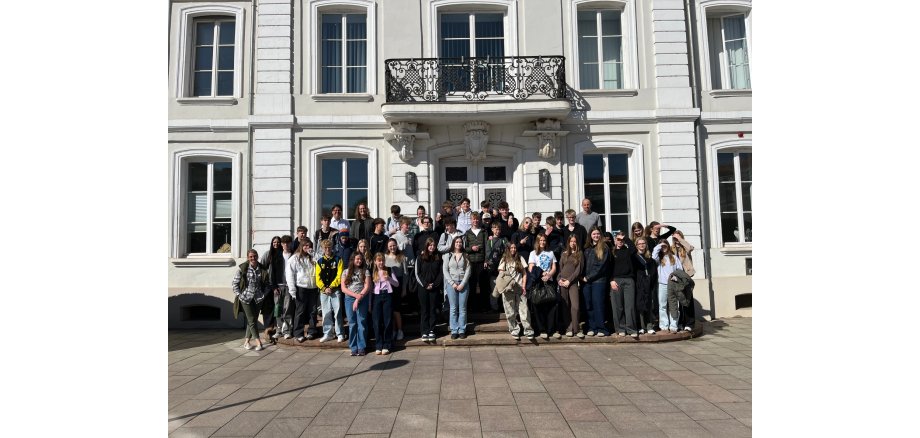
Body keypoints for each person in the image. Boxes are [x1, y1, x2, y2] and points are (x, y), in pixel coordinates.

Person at [232, 249, 270, 351]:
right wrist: (239, 295)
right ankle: (258, 342)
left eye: (254, 256)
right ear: (248, 258)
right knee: (252, 320)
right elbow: (235, 283)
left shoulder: (262, 269)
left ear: (257, 256)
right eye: (251, 257)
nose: (253, 258)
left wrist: (264, 295)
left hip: (258, 298)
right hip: (246, 298)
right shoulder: (243, 269)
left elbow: (267, 284)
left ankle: (246, 342)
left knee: (251, 321)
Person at [498, 243, 532, 340]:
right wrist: (508, 281)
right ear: (508, 249)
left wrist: (524, 286)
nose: (513, 249)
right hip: (508, 289)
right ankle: (514, 329)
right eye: (511, 248)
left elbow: (524, 273)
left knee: (524, 310)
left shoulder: (520, 258)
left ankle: (528, 330)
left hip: (520, 288)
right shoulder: (504, 259)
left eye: (514, 247)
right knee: (510, 311)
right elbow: (501, 272)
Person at [287, 239, 319, 341]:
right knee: (300, 311)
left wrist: (314, 254)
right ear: (301, 246)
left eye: (309, 246)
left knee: (313, 311)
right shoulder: (295, 258)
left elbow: (322, 262)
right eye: (305, 246)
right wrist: (292, 290)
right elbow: (289, 274)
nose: (307, 248)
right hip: (301, 287)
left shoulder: (313, 257)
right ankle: (298, 333)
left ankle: (312, 331)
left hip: (313, 287)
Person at [528, 234, 559, 339]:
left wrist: (549, 274)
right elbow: (531, 268)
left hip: (549, 282)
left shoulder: (550, 253)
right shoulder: (533, 253)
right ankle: (542, 330)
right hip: (538, 282)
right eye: (540, 240)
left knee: (551, 307)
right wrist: (542, 274)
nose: (542, 242)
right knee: (538, 306)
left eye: (544, 240)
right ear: (537, 241)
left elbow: (554, 267)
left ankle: (552, 330)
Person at [315, 239, 346, 343]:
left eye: (329, 247)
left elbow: (339, 275)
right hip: (324, 291)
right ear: (322, 249)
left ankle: (340, 333)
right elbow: (317, 278)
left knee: (337, 313)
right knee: (326, 312)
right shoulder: (319, 261)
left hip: (335, 290)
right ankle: (328, 333)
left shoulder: (338, 259)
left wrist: (331, 287)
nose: (327, 249)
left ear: (332, 247)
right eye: (325, 248)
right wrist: (324, 288)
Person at [341, 252, 372, 356]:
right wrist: (355, 296)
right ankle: (353, 347)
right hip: (349, 299)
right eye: (357, 259)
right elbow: (343, 288)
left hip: (362, 298)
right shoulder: (346, 272)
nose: (359, 261)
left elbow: (367, 286)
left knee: (362, 323)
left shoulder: (365, 271)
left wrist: (358, 298)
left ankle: (361, 346)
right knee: (352, 323)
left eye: (361, 259)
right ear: (353, 260)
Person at [609, 232, 638, 338]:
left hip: (629, 280)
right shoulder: (612, 252)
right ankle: (620, 328)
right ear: (615, 240)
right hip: (616, 280)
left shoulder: (628, 251)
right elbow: (608, 268)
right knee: (618, 306)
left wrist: (625, 237)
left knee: (629, 306)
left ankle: (631, 329)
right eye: (618, 239)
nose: (620, 242)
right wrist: (611, 280)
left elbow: (634, 249)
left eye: (622, 240)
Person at [582, 228, 610, 337]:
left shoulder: (604, 248)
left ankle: (601, 328)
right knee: (588, 304)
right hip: (586, 282)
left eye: (598, 233)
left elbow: (601, 267)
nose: (596, 235)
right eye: (594, 234)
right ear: (590, 235)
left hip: (599, 281)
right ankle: (591, 327)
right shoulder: (587, 248)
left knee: (598, 304)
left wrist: (588, 277)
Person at [416, 238, 444, 342]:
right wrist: (425, 284)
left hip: (434, 288)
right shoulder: (420, 257)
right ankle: (424, 331)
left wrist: (435, 284)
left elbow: (441, 273)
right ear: (426, 246)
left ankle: (432, 330)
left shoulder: (438, 257)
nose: (432, 247)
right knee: (424, 310)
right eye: (430, 245)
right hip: (423, 288)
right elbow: (417, 273)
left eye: (433, 245)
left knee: (433, 309)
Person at [443, 236, 472, 339]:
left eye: (460, 242)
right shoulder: (448, 255)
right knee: (453, 308)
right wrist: (452, 283)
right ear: (454, 243)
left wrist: (462, 284)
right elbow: (445, 270)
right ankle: (454, 330)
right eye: (457, 242)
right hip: (452, 284)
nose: (458, 244)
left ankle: (462, 329)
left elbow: (468, 270)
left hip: (463, 284)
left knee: (463, 308)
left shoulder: (465, 255)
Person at [652, 241, 683, 333]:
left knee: (674, 305)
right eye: (662, 246)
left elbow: (680, 270)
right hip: (662, 284)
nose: (663, 247)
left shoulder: (674, 257)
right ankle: (664, 325)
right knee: (662, 305)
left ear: (668, 246)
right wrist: (659, 245)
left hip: (673, 285)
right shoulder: (659, 258)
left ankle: (674, 325)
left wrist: (675, 277)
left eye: (665, 245)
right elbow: (653, 256)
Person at [370, 253, 399, 355]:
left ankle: (387, 344)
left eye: (382, 260)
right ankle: (378, 344)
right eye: (379, 261)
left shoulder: (389, 270)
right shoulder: (373, 271)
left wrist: (389, 279)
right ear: (375, 262)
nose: (381, 263)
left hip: (387, 295)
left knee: (387, 320)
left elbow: (397, 283)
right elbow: (370, 288)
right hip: (376, 296)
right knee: (377, 321)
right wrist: (370, 303)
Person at [259, 236, 286, 341]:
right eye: (274, 242)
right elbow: (262, 268)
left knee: (278, 307)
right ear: (272, 243)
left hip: (279, 284)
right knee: (268, 308)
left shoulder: (283, 254)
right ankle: (268, 329)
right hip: (268, 285)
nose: (276, 244)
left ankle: (278, 328)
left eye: (278, 242)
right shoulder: (268, 254)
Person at [557, 235, 584, 338]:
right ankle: (569, 328)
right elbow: (560, 270)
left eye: (575, 241)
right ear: (568, 242)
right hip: (562, 282)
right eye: (571, 241)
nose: (573, 243)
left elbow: (578, 270)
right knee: (565, 306)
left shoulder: (579, 254)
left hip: (572, 283)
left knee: (575, 306)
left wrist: (569, 280)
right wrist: (559, 280)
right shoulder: (564, 254)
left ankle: (576, 329)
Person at [463, 212, 488, 312]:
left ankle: (483, 307)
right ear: (471, 220)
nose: (475, 221)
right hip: (471, 262)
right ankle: (472, 307)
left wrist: (486, 260)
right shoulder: (467, 233)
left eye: (477, 219)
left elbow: (487, 247)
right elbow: (465, 248)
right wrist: (471, 248)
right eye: (473, 219)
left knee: (483, 285)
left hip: (482, 261)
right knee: (472, 285)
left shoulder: (483, 232)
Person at [672, 230, 696, 332]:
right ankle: (680, 322)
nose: (676, 240)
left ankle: (689, 323)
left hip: (686, 277)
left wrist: (680, 239)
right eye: (674, 238)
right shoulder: (671, 249)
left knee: (687, 300)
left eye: (678, 238)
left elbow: (691, 248)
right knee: (678, 301)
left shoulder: (685, 248)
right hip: (676, 278)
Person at [385, 239, 409, 341]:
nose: (392, 247)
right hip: (387, 285)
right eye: (390, 246)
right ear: (387, 247)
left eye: (394, 245)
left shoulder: (401, 257)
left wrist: (404, 289)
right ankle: (393, 330)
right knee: (390, 309)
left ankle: (400, 330)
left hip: (398, 285)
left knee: (396, 309)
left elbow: (405, 274)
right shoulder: (385, 257)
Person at [633, 237, 658, 334]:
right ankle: (641, 326)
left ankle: (649, 326)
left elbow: (654, 273)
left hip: (648, 285)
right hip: (638, 284)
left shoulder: (650, 259)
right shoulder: (634, 258)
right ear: (636, 245)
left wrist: (650, 282)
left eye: (643, 243)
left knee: (648, 304)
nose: (642, 245)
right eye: (639, 243)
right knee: (639, 306)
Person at [274, 235, 295, 339]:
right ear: (281, 244)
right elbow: (272, 273)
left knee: (287, 309)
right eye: (284, 243)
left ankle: (286, 330)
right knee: (278, 309)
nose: (286, 245)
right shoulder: (277, 256)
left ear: (290, 243)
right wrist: (274, 287)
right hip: (278, 286)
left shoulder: (294, 255)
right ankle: (278, 330)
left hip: (289, 286)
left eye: (288, 243)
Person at [485, 221, 508, 312]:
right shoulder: (490, 240)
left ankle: (504, 307)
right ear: (492, 229)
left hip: (503, 268)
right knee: (494, 288)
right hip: (493, 269)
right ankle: (494, 307)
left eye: (499, 229)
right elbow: (487, 254)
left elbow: (508, 250)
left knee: (504, 288)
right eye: (496, 229)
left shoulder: (504, 239)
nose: (497, 231)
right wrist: (488, 262)